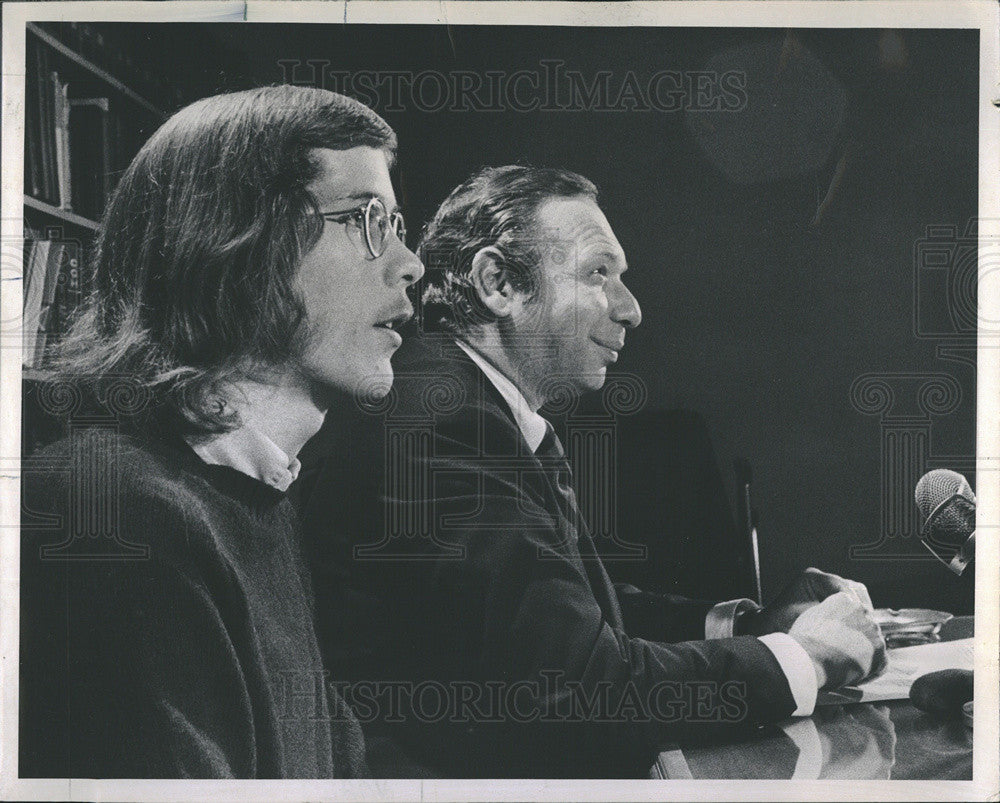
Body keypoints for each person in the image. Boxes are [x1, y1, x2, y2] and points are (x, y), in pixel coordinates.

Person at [296, 165, 886, 778]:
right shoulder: (442, 424)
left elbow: (567, 612)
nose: (630, 310)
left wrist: (745, 624)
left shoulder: (462, 402)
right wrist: (801, 659)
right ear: (497, 282)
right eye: (597, 273)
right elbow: (585, 688)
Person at [19, 85, 424, 778]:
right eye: (368, 220)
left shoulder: (255, 494)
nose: (410, 263)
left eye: (398, 223)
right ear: (239, 241)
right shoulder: (110, 509)